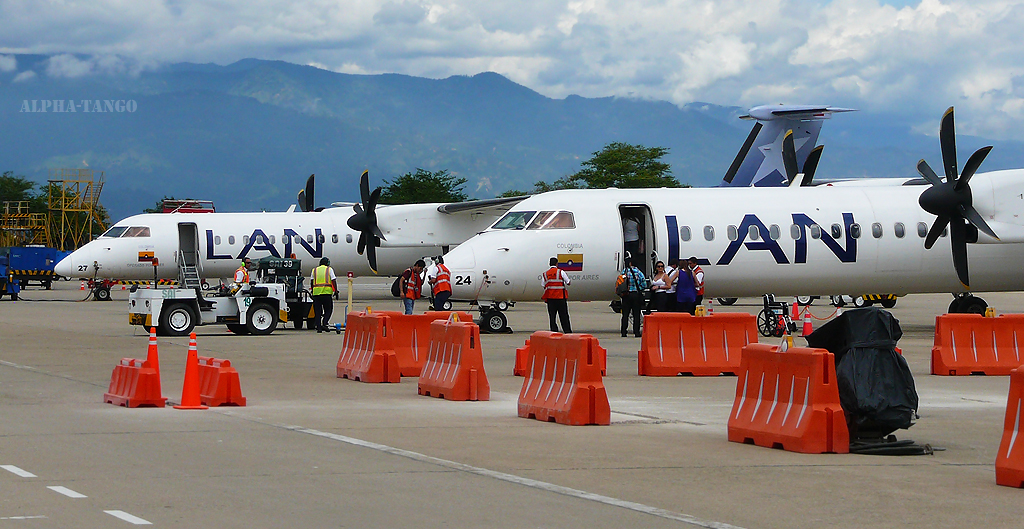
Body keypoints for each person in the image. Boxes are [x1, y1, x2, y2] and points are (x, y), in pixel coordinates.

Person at [541, 257, 572, 333]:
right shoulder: (561, 272)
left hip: (550, 298)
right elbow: (568, 282)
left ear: (549, 264)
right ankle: (567, 331)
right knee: (564, 316)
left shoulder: (545, 274)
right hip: (560, 297)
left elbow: (543, 285)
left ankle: (554, 331)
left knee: (552, 317)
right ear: (557, 264)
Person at [620, 257, 648, 337]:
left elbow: (621, 281)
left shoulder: (625, 271)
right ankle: (636, 332)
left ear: (630, 263)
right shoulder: (639, 272)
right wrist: (639, 288)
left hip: (626, 295)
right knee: (636, 314)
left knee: (625, 314)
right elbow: (644, 284)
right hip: (636, 295)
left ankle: (624, 332)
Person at [309, 257, 338, 332]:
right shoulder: (329, 269)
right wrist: (336, 290)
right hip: (326, 293)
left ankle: (319, 328)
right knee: (328, 310)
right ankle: (325, 323)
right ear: (327, 263)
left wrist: (312, 290)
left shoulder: (314, 270)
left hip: (316, 294)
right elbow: (333, 280)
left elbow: (312, 281)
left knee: (318, 312)